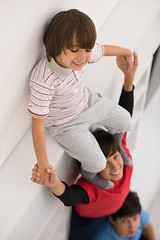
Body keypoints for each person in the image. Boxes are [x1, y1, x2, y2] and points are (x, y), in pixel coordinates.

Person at [31, 52, 138, 240]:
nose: (115, 166)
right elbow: (72, 197)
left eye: (114, 157)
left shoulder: (123, 158)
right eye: (105, 163)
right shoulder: (92, 188)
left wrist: (128, 78)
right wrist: (55, 183)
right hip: (88, 220)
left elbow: (124, 116)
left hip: (111, 212)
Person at [28, 9, 134, 186]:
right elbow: (37, 126)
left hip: (87, 102)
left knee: (126, 121)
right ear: (55, 45)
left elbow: (104, 49)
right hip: (65, 124)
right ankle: (91, 176)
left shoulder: (84, 53)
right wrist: (44, 164)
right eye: (74, 50)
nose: (82, 57)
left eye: (87, 49)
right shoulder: (44, 79)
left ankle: (116, 149)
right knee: (97, 163)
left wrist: (126, 52)